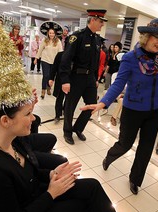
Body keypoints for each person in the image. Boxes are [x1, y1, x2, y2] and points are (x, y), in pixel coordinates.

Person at [0, 22, 117, 212]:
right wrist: (51, 193)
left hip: (39, 191)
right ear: (5, 121)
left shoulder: (13, 140)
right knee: (83, 203)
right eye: (27, 114)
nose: (34, 119)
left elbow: (31, 172)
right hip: (35, 205)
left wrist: (52, 174)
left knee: (91, 186)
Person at [81, 18, 158, 195]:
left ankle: (135, 179)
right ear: (146, 37)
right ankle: (110, 157)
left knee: (146, 149)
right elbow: (118, 84)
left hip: (154, 111)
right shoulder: (130, 58)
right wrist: (103, 102)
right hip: (132, 111)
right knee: (125, 144)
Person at [59, 9, 108, 145]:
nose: (102, 25)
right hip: (76, 77)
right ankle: (67, 131)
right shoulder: (77, 37)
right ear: (92, 20)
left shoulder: (97, 40)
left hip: (90, 79)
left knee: (92, 106)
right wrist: (65, 80)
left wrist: (96, 79)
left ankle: (78, 128)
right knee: (70, 106)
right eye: (100, 21)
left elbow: (96, 62)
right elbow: (66, 60)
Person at [35, 21, 63, 99]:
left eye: (53, 33)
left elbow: (60, 51)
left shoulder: (58, 41)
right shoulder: (44, 40)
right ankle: (43, 90)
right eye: (50, 33)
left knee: (51, 76)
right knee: (46, 75)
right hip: (45, 60)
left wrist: (62, 60)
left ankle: (48, 87)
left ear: (55, 34)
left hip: (54, 61)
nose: (51, 34)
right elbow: (40, 50)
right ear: (48, 33)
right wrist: (36, 58)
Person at [49, 51, 65, 123]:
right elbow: (54, 67)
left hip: (72, 80)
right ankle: (57, 115)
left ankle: (65, 110)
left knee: (69, 99)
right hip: (60, 79)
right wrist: (51, 78)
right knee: (59, 97)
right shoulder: (60, 55)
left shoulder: (76, 55)